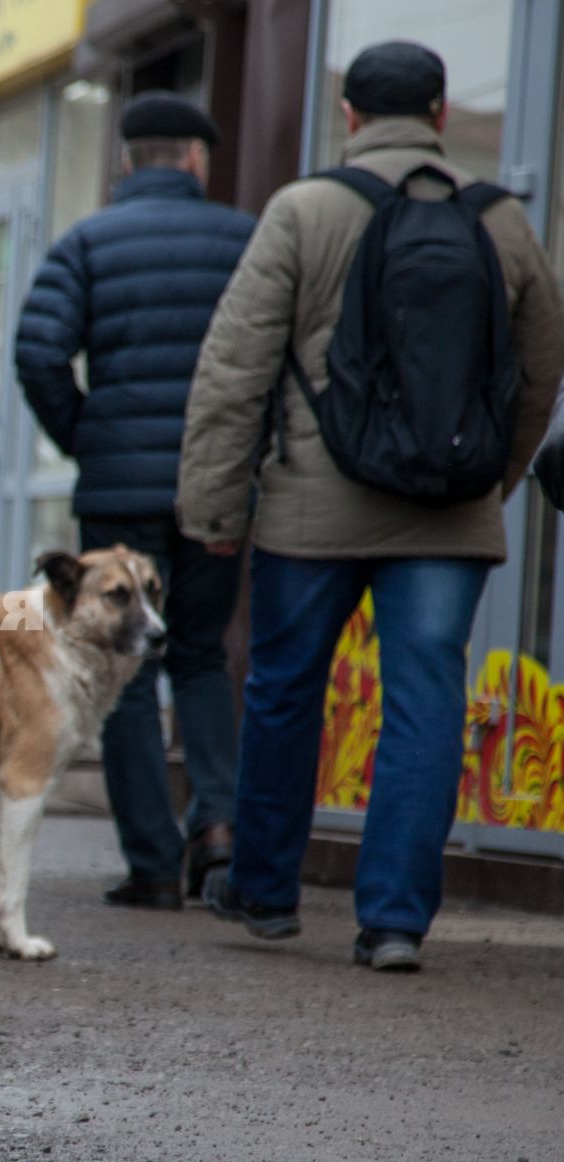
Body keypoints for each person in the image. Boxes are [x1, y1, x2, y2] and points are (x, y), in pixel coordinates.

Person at [180, 41, 564, 971]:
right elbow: (540, 372)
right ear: (439, 112)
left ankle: (266, 892)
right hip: (448, 518)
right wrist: (490, 482)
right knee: (426, 703)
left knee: (282, 693)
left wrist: (214, 510)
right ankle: (394, 918)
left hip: (313, 511)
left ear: (347, 115)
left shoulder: (304, 210)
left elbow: (235, 371)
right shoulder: (502, 219)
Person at [14, 93, 256, 911]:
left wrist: (89, 435)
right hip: (216, 487)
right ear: (196, 159)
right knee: (200, 653)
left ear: (128, 161)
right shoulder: (243, 239)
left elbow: (38, 352)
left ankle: (153, 861)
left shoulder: (87, 241)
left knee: (120, 664)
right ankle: (217, 830)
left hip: (120, 491)